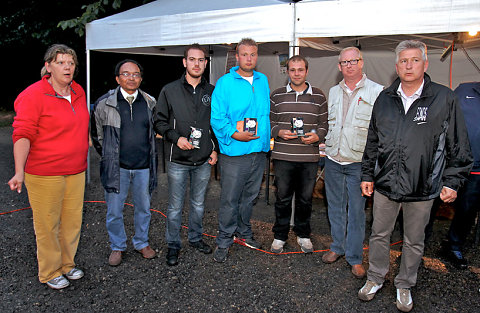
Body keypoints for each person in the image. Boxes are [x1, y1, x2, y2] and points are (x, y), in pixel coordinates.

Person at [358, 40, 472, 312]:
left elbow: (459, 144)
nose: (409, 66)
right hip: (386, 184)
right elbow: (373, 140)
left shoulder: (444, 98)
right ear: (396, 66)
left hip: (423, 185)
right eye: (403, 61)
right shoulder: (384, 98)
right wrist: (367, 174)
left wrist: (453, 181)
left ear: (425, 64)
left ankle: (405, 284)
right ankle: (375, 278)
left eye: (415, 60)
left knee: (414, 240)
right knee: (378, 234)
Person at [8, 44, 89, 289]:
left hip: (76, 170)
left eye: (71, 63)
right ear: (48, 66)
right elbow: (22, 134)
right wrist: (19, 171)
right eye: (60, 62)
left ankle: (67, 264)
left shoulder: (77, 91)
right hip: (44, 173)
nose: (67, 67)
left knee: (72, 222)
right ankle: (50, 270)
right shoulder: (33, 95)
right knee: (47, 224)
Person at [154, 44, 217, 266]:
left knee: (199, 204)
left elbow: (216, 124)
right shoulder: (169, 90)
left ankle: (196, 238)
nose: (196, 64)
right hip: (178, 159)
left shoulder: (212, 91)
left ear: (206, 63)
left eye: (201, 60)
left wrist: (215, 148)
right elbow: (158, 121)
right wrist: (175, 137)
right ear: (184, 62)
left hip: (203, 160)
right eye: (192, 59)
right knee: (174, 206)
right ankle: (173, 244)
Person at [322, 47, 383, 278]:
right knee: (335, 208)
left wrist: (372, 167)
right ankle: (337, 247)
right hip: (333, 159)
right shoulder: (333, 91)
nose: (349, 65)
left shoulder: (377, 92)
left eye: (353, 61)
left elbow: (379, 132)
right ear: (339, 66)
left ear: (361, 62)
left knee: (356, 212)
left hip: (358, 162)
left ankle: (355, 257)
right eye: (344, 62)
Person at [91, 59, 158, 267]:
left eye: (136, 74)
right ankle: (117, 246)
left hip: (143, 167)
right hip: (116, 168)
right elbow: (97, 136)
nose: (131, 78)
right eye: (126, 74)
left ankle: (141, 242)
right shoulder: (105, 103)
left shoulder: (150, 102)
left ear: (141, 78)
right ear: (118, 78)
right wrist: (110, 156)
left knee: (144, 208)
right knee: (114, 210)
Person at [210, 38, 271, 262]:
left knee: (249, 198)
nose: (249, 58)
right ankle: (224, 239)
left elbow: (265, 114)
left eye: (253, 54)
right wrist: (235, 134)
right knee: (230, 199)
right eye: (244, 54)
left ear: (257, 56)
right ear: (237, 57)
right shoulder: (225, 83)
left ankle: (244, 232)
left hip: (258, 151)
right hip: (235, 152)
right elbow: (217, 118)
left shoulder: (263, 80)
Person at [269, 55, 328, 253]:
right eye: (292, 70)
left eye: (300, 69)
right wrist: (278, 132)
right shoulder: (276, 95)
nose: (296, 73)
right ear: (287, 71)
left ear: (306, 71)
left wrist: (317, 136)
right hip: (283, 157)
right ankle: (280, 236)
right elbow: (269, 121)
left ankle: (303, 235)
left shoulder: (318, 96)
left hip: (308, 158)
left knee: (305, 199)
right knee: (283, 198)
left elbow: (324, 125)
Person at [441, 81, 480, 269]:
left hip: (476, 170)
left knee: (467, 209)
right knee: (429, 205)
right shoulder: (464, 90)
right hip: (448, 163)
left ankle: (453, 246)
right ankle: (417, 244)